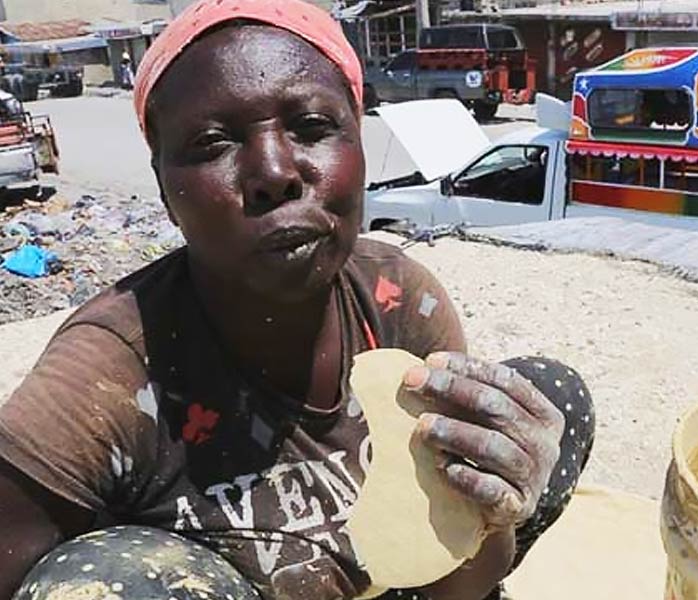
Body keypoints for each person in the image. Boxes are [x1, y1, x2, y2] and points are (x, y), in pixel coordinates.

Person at [0, 1, 595, 599]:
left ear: (358, 143)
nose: (274, 172)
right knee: (108, 577)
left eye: (311, 127)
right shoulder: (106, 377)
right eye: (212, 143)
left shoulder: (397, 302)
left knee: (546, 400)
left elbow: (454, 584)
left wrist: (496, 511)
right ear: (163, 184)